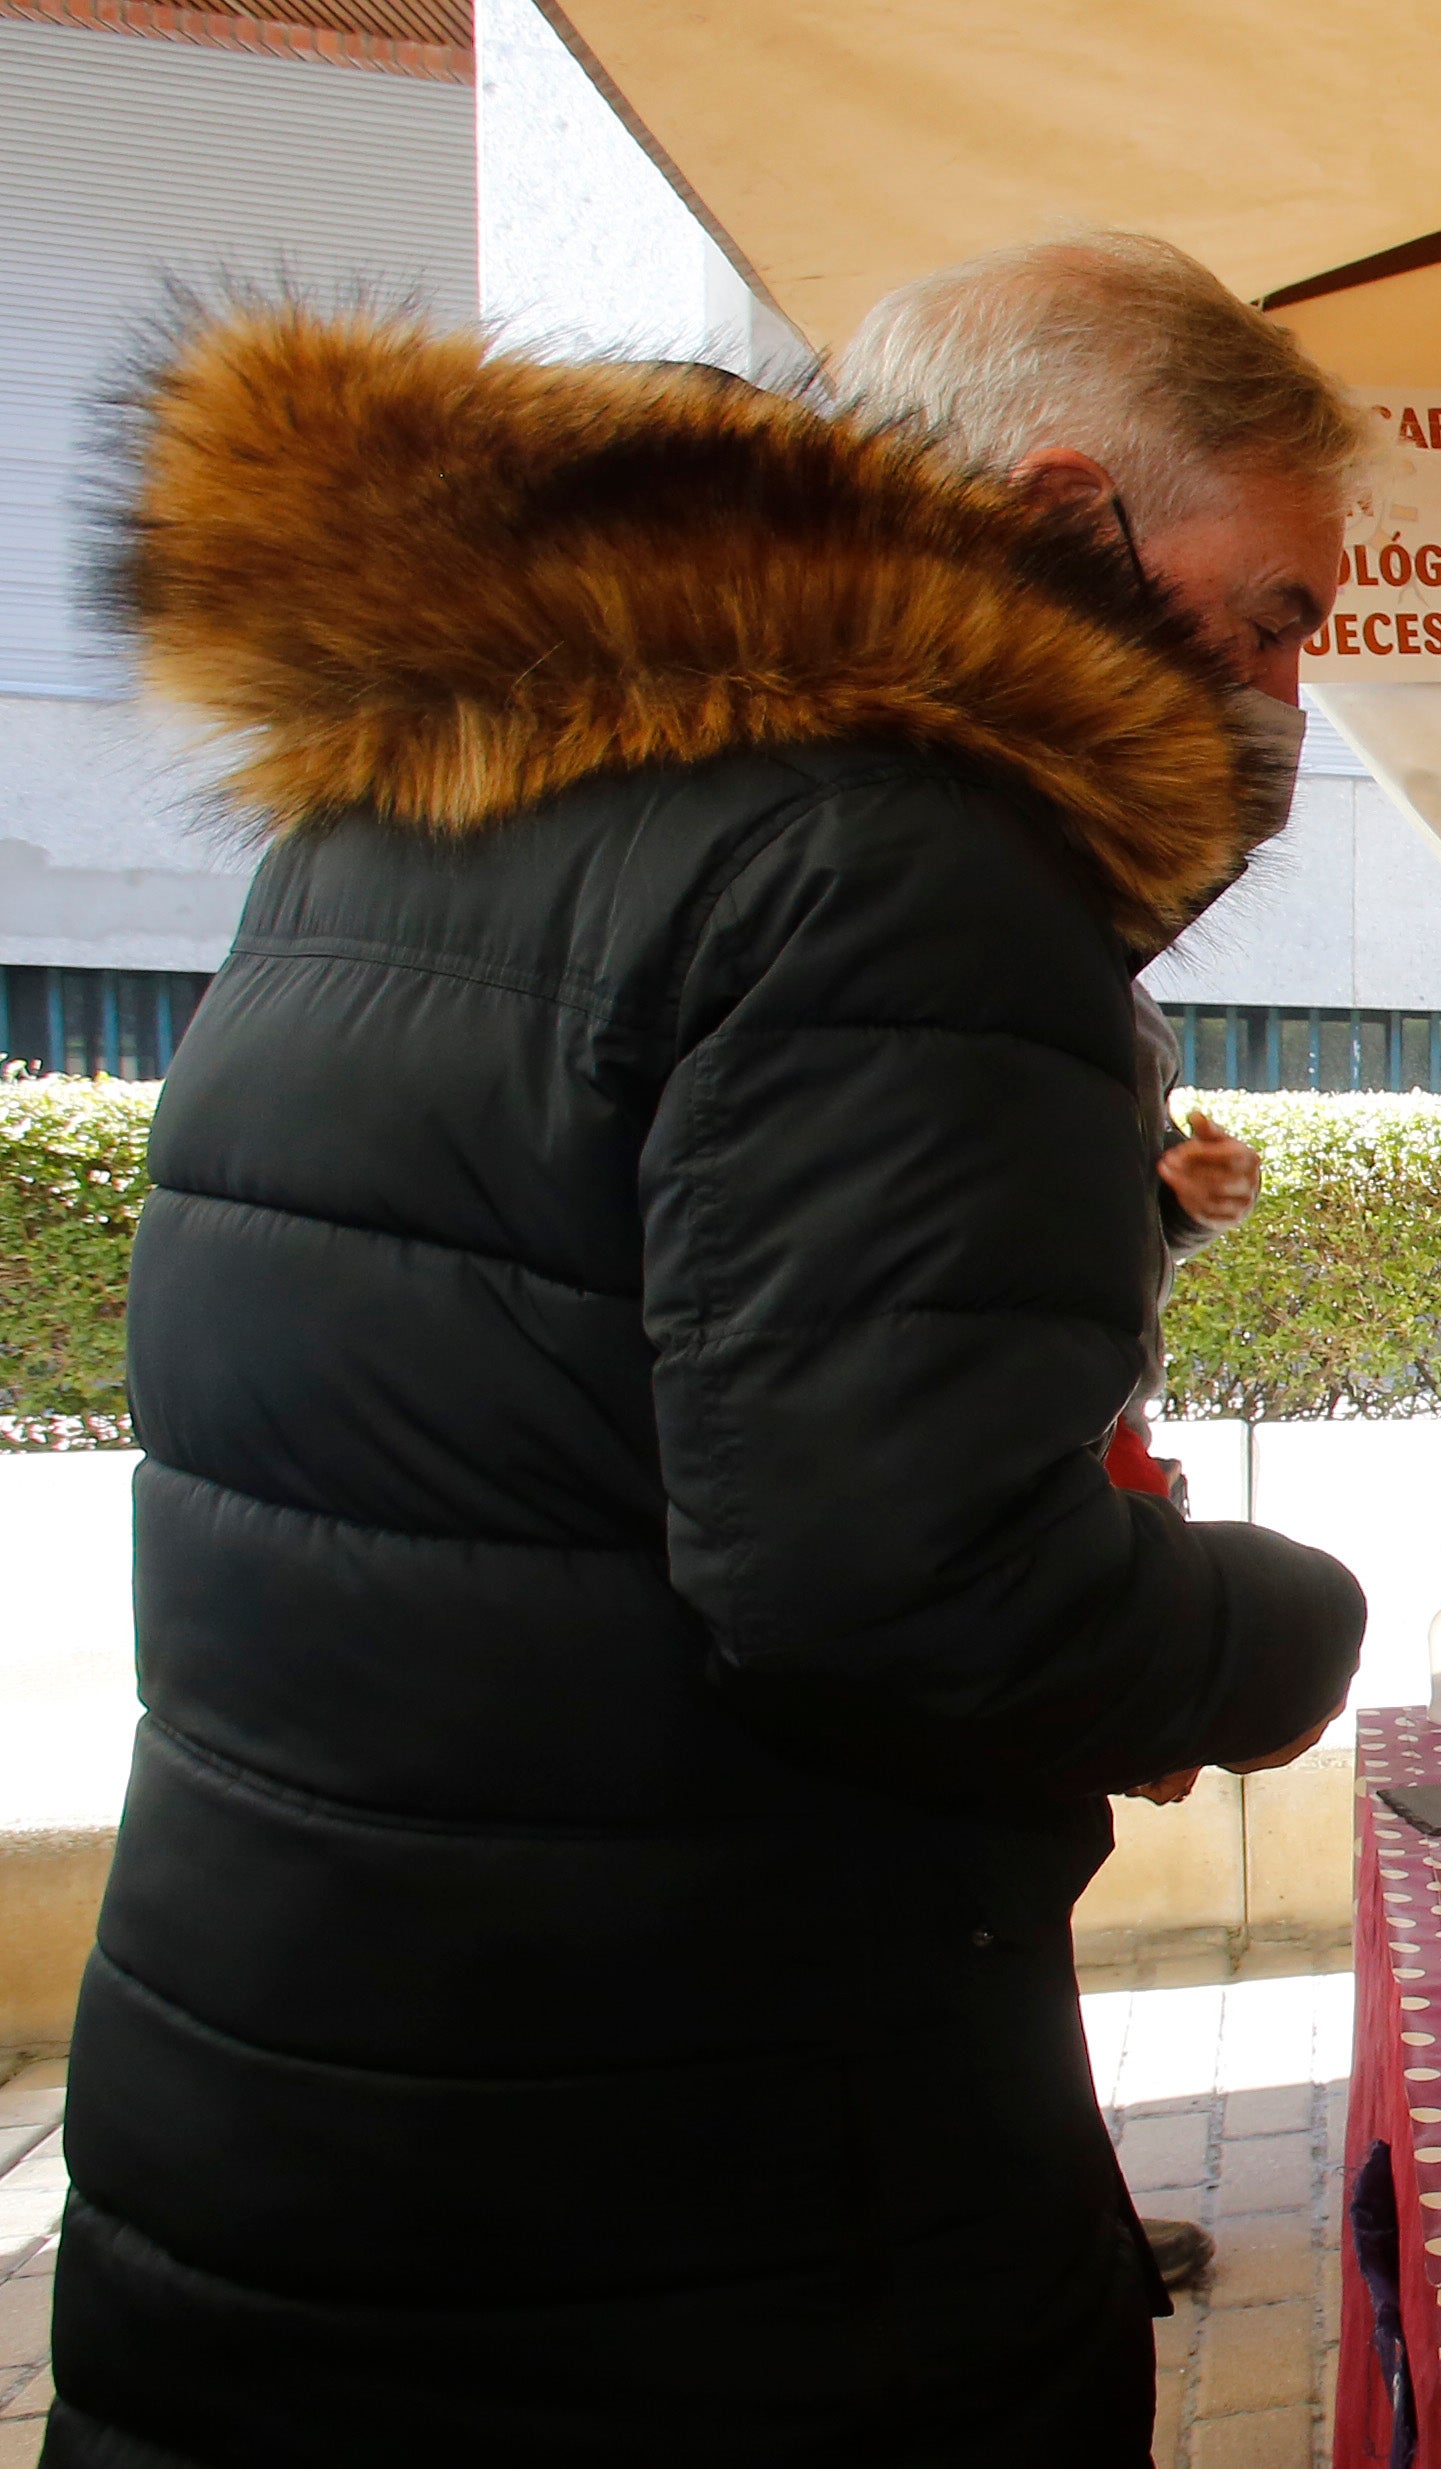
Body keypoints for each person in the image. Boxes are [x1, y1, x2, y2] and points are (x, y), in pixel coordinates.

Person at [52, 234, 1369, 2466]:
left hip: (307, 2090)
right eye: (1274, 612)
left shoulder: (441, 774)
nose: (1283, 695)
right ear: (1065, 522)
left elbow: (645, 1358)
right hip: (693, 2203)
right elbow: (908, 1585)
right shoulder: (907, 850)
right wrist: (1275, 1626)